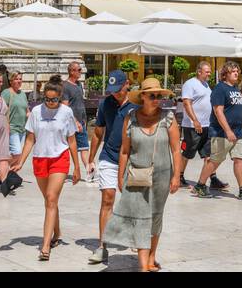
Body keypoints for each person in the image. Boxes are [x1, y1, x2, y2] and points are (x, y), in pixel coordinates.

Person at [103, 77, 181, 270]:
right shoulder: (131, 118)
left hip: (162, 176)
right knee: (140, 217)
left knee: (156, 215)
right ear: (143, 96)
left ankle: (151, 256)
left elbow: (176, 150)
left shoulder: (168, 119)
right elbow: (124, 151)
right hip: (137, 175)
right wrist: (121, 176)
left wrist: (176, 176)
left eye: (159, 96)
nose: (156, 99)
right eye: (152, 95)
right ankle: (143, 265)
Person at [18, 80, 81, 261]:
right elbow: (30, 139)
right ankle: (57, 232)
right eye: (47, 99)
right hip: (40, 159)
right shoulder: (36, 112)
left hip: (60, 158)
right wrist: (21, 161)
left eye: (54, 100)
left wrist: (77, 167)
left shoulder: (67, 112)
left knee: (51, 198)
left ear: (60, 98)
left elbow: (71, 141)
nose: (51, 103)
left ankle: (45, 246)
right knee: (49, 200)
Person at [90, 69, 135, 265]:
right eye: (112, 90)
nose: (114, 93)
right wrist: (90, 159)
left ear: (127, 84)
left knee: (133, 201)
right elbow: (99, 132)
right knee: (107, 198)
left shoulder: (137, 105)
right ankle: (103, 246)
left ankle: (135, 237)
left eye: (118, 89)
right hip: (108, 157)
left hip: (133, 160)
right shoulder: (105, 104)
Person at [194, 61, 242, 202]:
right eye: (233, 71)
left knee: (240, 159)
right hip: (221, 132)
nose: (236, 73)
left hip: (238, 131)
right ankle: (200, 185)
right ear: (225, 74)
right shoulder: (220, 89)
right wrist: (227, 130)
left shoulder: (235, 89)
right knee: (215, 160)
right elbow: (218, 111)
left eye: (237, 71)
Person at [178, 61, 222, 191]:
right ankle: (179, 177)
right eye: (207, 71)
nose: (209, 74)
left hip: (207, 125)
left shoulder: (206, 84)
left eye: (209, 71)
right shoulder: (190, 84)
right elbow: (186, 103)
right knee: (187, 153)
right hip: (192, 126)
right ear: (199, 71)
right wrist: (195, 120)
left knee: (209, 154)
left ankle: (212, 178)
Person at [61, 61, 90, 176]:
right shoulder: (65, 86)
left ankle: (89, 172)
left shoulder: (78, 84)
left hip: (81, 121)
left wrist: (83, 120)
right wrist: (75, 121)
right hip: (71, 123)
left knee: (84, 147)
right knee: (66, 148)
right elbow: (65, 106)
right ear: (72, 71)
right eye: (79, 70)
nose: (80, 72)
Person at [3, 71, 31, 171]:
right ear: (11, 81)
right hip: (12, 128)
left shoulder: (22, 94)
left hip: (22, 129)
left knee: (18, 156)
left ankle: (8, 174)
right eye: (16, 79)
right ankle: (2, 168)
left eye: (20, 79)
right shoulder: (6, 93)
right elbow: (3, 111)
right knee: (17, 152)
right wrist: (6, 126)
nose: (19, 81)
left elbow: (27, 111)